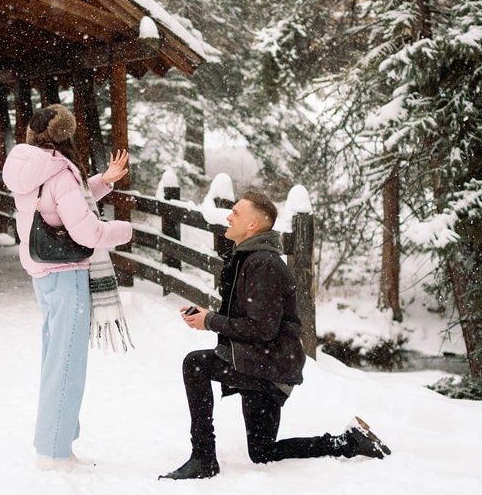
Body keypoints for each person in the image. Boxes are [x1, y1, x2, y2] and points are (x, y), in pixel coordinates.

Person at [160, 190, 391, 480]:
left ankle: (203, 458)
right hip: (262, 360)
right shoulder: (250, 259)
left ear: (253, 225)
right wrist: (208, 315)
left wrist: (210, 321)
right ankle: (348, 442)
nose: (229, 217)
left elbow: (262, 329)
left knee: (195, 364)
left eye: (236, 213)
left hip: (270, 364)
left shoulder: (264, 264)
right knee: (262, 451)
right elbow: (253, 320)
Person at [2, 103, 133, 472]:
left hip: (44, 271)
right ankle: (55, 453)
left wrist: (103, 181)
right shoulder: (59, 172)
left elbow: (66, 201)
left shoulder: (28, 167)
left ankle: (56, 443)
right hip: (67, 272)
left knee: (55, 360)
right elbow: (87, 231)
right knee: (67, 364)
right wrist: (125, 231)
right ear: (65, 136)